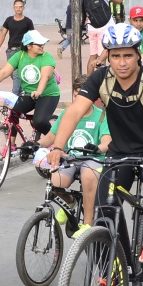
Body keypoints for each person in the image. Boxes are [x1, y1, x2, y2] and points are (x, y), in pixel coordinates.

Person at [46, 22, 143, 265]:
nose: (122, 62)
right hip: (119, 152)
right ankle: (115, 270)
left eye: (128, 55)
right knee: (104, 207)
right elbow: (75, 112)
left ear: (138, 54)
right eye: (115, 56)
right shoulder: (101, 78)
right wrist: (57, 147)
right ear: (108, 55)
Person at [38, 78, 112, 232]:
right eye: (75, 94)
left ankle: (87, 224)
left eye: (82, 95)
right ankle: (70, 203)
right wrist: (35, 145)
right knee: (55, 181)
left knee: (88, 177)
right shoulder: (67, 113)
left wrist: (97, 148)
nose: (78, 99)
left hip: (93, 159)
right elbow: (52, 136)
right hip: (70, 158)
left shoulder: (101, 115)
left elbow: (107, 142)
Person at [0, 30, 61, 137]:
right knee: (12, 112)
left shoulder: (46, 57)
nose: (42, 46)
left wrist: (39, 91)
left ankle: (57, 141)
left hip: (48, 95)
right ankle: (12, 145)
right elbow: (5, 71)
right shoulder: (20, 56)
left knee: (39, 122)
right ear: (28, 46)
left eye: (42, 44)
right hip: (29, 95)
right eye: (39, 44)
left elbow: (45, 76)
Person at [84, 0, 132, 70]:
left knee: (93, 56)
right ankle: (101, 83)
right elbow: (118, 0)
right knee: (103, 57)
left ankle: (88, 83)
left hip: (92, 26)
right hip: (104, 26)